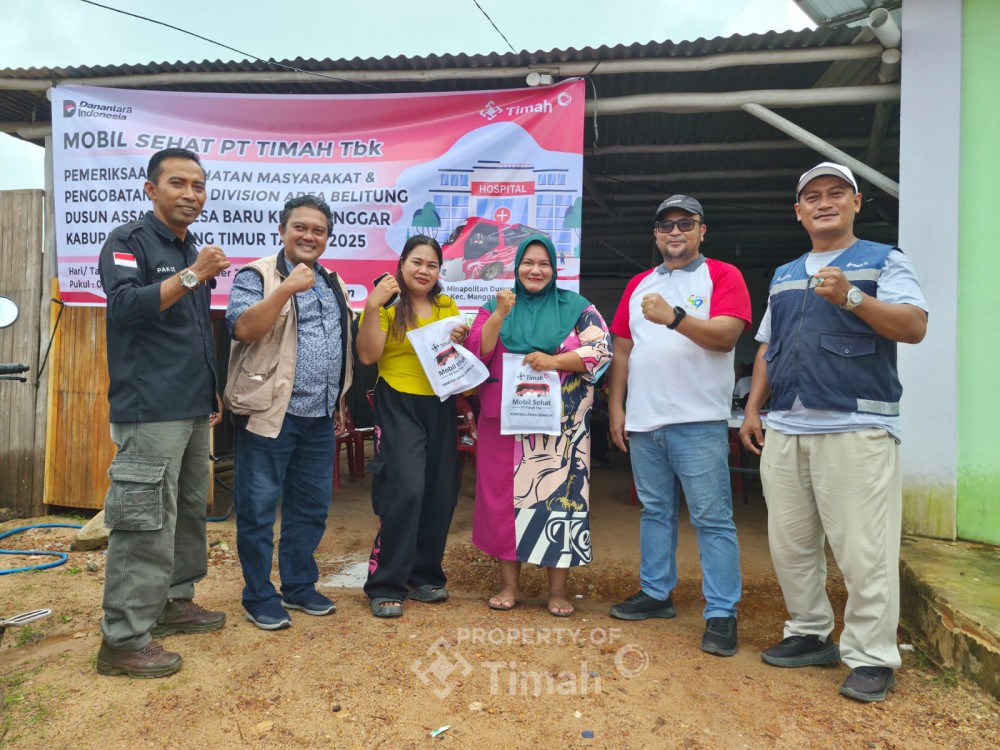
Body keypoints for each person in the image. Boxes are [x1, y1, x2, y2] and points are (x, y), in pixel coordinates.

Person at [739, 162, 928, 702]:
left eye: (836, 194)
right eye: (812, 197)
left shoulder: (884, 260)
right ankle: (809, 633)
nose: (824, 203)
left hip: (856, 425)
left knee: (863, 551)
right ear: (798, 211)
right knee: (791, 545)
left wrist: (851, 297)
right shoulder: (785, 271)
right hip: (787, 425)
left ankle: (871, 655)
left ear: (856, 203)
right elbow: (767, 349)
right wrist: (754, 409)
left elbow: (914, 326)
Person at [96, 148, 230, 678]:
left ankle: (175, 601)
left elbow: (194, 332)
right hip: (149, 407)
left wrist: (211, 389)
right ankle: (123, 638)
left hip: (193, 404)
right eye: (178, 183)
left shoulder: (190, 246)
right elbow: (126, 307)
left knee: (190, 509)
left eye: (198, 185)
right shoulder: (128, 242)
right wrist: (194, 275)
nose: (191, 194)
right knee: (143, 520)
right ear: (152, 189)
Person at [607, 195, 751, 657]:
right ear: (655, 234)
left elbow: (727, 335)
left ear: (701, 231)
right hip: (646, 421)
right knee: (655, 511)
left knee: (712, 518)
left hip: (698, 420)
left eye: (685, 224)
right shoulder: (637, 283)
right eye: (666, 225)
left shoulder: (723, 276)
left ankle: (722, 613)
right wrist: (616, 407)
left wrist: (675, 317)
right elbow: (622, 350)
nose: (675, 232)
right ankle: (655, 594)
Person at [224, 195, 354, 630]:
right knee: (259, 509)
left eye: (318, 230)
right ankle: (258, 594)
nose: (309, 236)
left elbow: (339, 348)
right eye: (300, 227)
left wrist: (337, 403)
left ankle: (298, 587)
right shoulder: (255, 275)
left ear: (327, 238)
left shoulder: (332, 280)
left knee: (311, 507)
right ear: (282, 230)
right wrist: (284, 290)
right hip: (268, 415)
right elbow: (243, 329)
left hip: (317, 417)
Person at [466, 235, 611, 617]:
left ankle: (558, 592)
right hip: (505, 425)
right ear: (516, 266)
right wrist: (499, 314)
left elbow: (601, 350)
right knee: (502, 502)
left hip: (561, 428)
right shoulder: (496, 304)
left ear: (554, 269)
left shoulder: (577, 307)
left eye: (544, 263)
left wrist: (555, 362)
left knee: (559, 499)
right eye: (528, 262)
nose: (535, 270)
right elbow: (476, 352)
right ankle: (509, 585)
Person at [356, 235, 469, 618]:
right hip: (397, 401)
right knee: (405, 488)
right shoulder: (386, 302)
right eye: (417, 262)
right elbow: (369, 355)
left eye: (432, 265)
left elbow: (453, 357)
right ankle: (385, 583)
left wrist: (459, 339)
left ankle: (424, 576)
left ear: (440, 271)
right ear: (402, 263)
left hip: (440, 402)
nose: (424, 271)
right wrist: (373, 306)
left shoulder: (445, 304)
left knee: (440, 490)